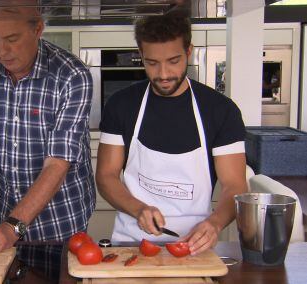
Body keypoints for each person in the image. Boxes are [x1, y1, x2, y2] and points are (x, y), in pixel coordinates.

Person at [0, 3, 95, 253]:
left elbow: (57, 162)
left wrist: (13, 227)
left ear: (38, 30)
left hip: (60, 219)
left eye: (12, 39)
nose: (2, 51)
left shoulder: (71, 75)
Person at [96, 15, 248, 255]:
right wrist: (138, 209)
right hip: (132, 242)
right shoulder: (120, 105)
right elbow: (106, 176)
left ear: (189, 51)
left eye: (173, 61)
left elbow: (235, 185)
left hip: (195, 245)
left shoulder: (221, 110)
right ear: (141, 54)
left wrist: (215, 223)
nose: (163, 74)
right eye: (152, 63)